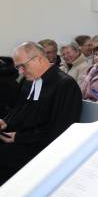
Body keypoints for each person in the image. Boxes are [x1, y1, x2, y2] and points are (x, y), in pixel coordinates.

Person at [0, 42, 82, 185]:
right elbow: (19, 109)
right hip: (21, 139)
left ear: (38, 59)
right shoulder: (29, 80)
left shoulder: (65, 85)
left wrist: (19, 137)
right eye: (18, 67)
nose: (20, 72)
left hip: (42, 150)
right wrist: (5, 122)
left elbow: (60, 130)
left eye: (22, 66)